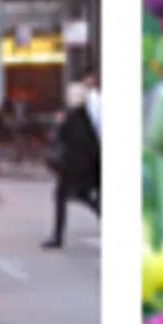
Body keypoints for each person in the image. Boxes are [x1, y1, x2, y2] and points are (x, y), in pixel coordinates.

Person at [43, 78, 99, 249]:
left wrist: (59, 126)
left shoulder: (72, 117)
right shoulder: (84, 116)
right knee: (83, 197)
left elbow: (61, 136)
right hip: (85, 165)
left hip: (72, 165)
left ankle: (57, 237)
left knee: (62, 198)